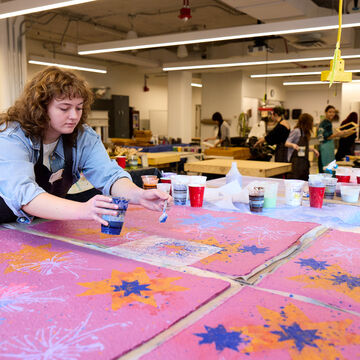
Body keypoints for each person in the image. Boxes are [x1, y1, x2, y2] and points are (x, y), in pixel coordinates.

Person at [0, 66, 172, 224]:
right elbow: (23, 195)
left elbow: (109, 176)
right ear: (40, 108)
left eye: (79, 108)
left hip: (40, 222)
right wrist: (83, 209)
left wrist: (139, 195)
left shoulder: (82, 136)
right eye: (64, 108)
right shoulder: (12, 137)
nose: (74, 116)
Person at [285, 113, 319, 181]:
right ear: (307, 122)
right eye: (311, 122)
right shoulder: (296, 131)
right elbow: (286, 143)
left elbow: (302, 148)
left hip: (304, 163)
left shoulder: (305, 132)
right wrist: (293, 145)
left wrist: (312, 149)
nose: (312, 124)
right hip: (295, 163)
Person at [317, 105, 345, 172]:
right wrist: (338, 134)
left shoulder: (324, 122)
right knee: (327, 167)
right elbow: (327, 137)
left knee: (325, 166)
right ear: (325, 112)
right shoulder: (327, 123)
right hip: (326, 147)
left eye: (333, 112)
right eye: (330, 112)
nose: (332, 114)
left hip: (324, 147)